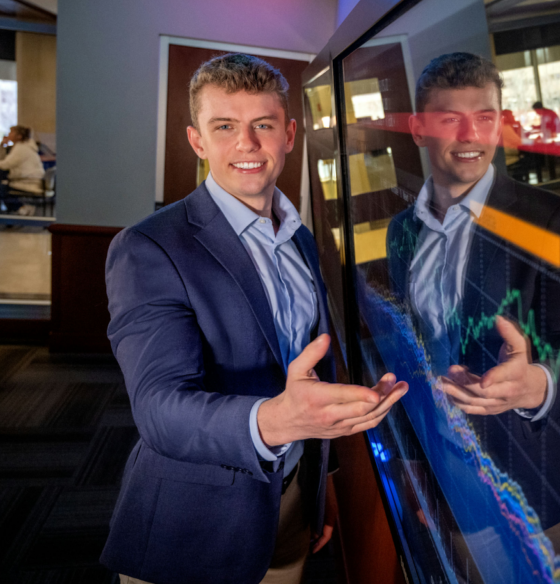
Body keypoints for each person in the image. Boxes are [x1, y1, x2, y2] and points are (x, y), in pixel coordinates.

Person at [101, 54, 408, 584]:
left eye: (262, 125)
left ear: (289, 134)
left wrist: (320, 493)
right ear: (198, 141)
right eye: (224, 127)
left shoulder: (303, 238)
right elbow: (158, 410)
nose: (247, 143)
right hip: (196, 524)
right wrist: (280, 420)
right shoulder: (148, 247)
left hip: (288, 511)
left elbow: (306, 373)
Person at [385, 53, 560, 531]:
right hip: (448, 471)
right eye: (449, 120)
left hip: (536, 481)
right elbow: (413, 352)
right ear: (419, 129)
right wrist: (417, 462)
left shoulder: (549, 217)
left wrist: (537, 384)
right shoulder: (401, 232)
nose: (471, 137)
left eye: (484, 118)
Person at [0, 125, 45, 216]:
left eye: (11, 132)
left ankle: (20, 208)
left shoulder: (21, 148)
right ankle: (19, 208)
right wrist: (2, 146)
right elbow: (1, 159)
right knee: (1, 186)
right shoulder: (20, 146)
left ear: (19, 136)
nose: (9, 134)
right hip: (27, 179)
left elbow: (5, 165)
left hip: (28, 181)